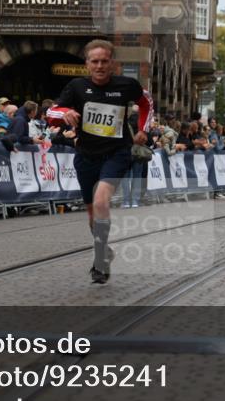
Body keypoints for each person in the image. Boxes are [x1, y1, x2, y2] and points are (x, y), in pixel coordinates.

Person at [47, 39, 153, 285]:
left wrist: (142, 129)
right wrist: (66, 114)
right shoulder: (76, 86)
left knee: (101, 199)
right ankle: (104, 250)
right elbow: (51, 113)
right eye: (95, 61)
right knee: (93, 215)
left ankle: (99, 262)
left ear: (113, 63)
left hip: (117, 153)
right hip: (85, 155)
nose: (100, 66)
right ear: (87, 64)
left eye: (105, 61)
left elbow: (146, 103)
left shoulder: (127, 85)